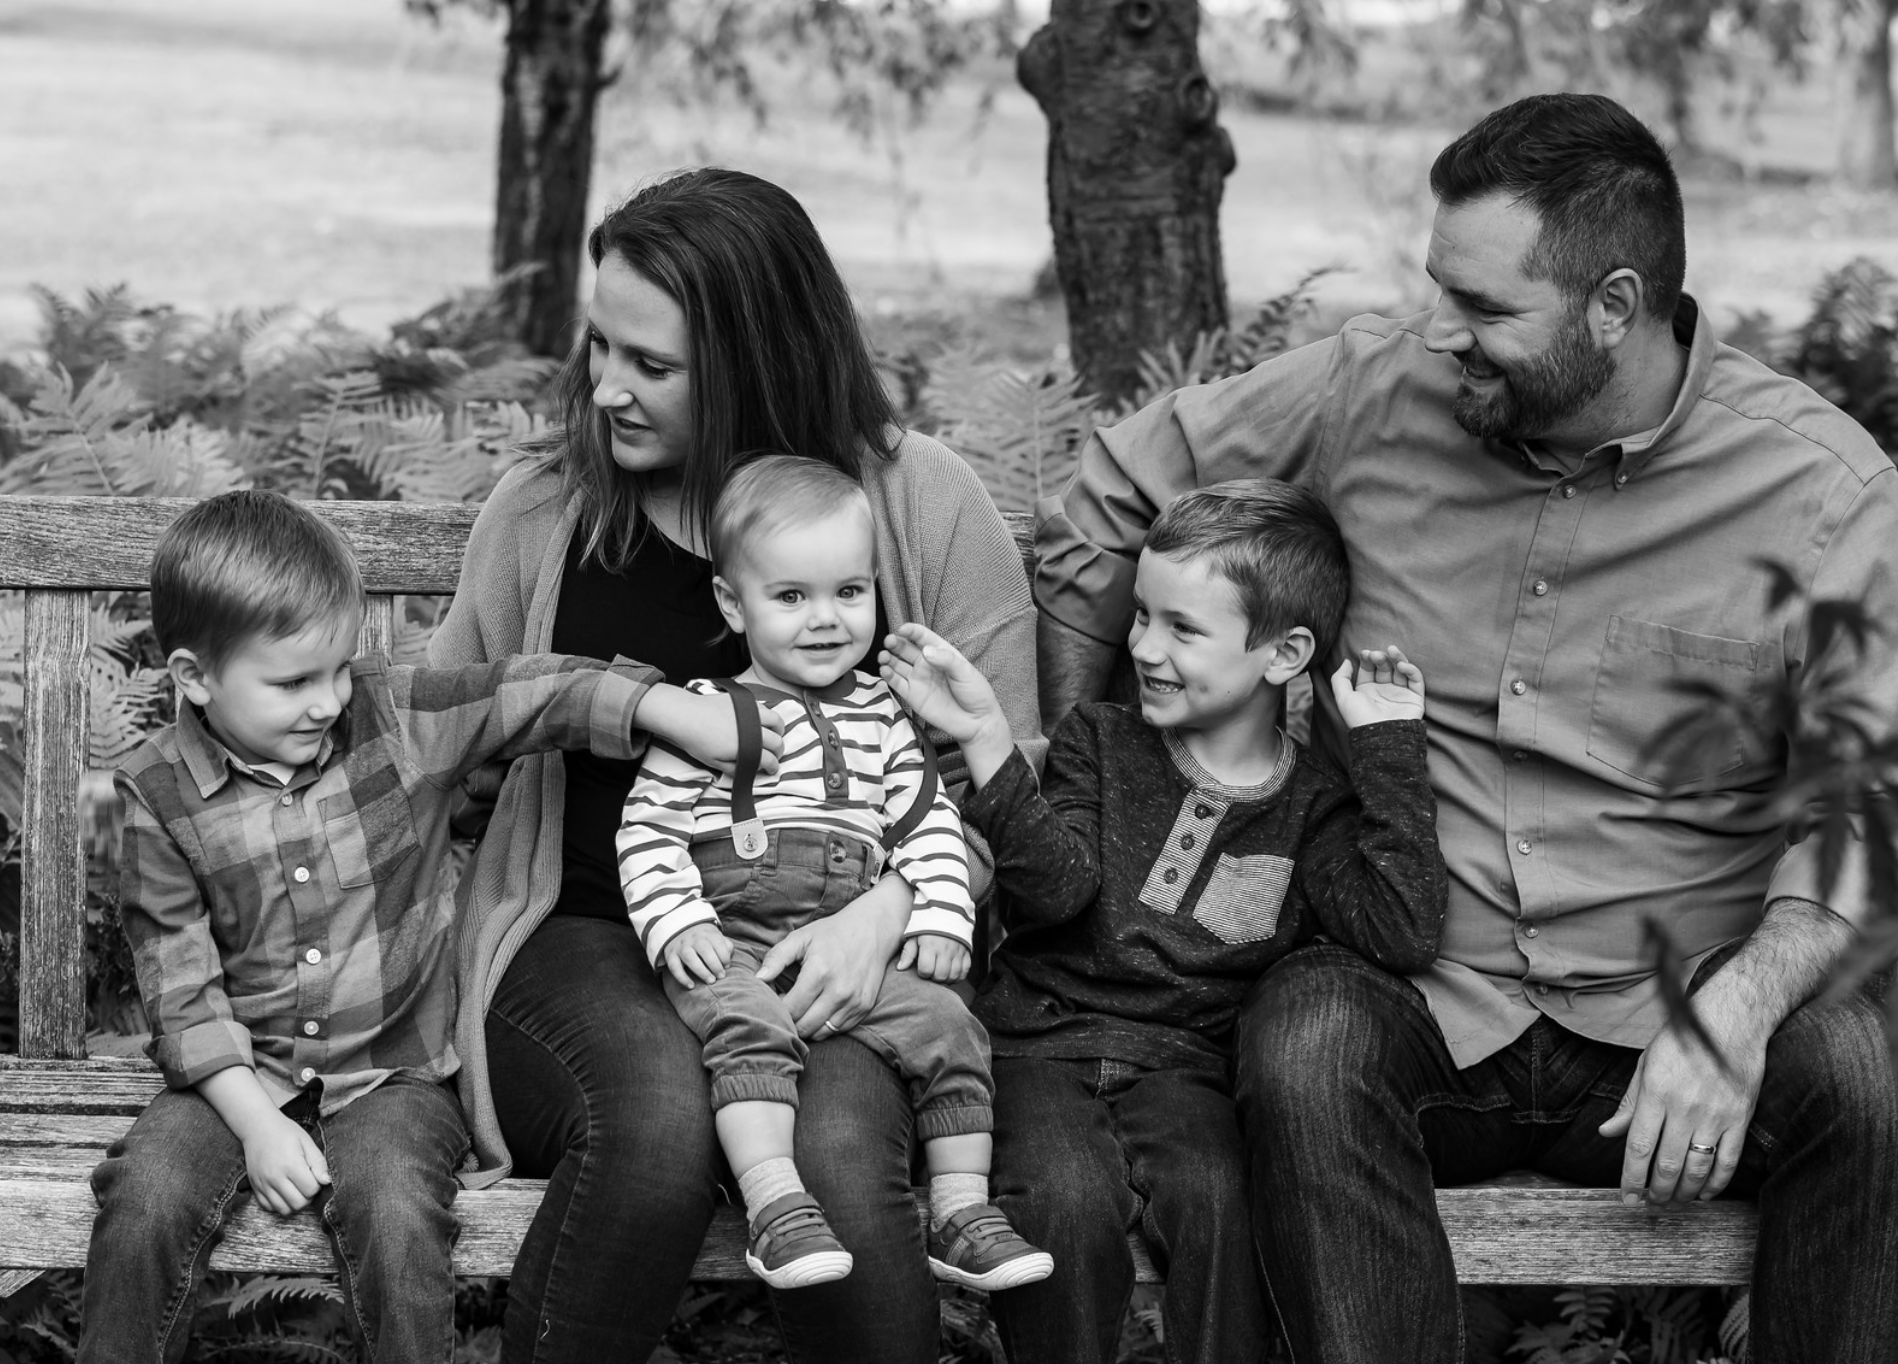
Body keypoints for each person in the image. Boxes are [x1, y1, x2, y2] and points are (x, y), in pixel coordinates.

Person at [1034, 92, 1898, 1362]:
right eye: (1438, 287)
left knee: (1860, 1073)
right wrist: (1092, 770)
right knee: (1304, 1039)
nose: (1441, 331)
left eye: (1485, 307)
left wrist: (1739, 1008)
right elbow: (1108, 497)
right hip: (1417, 980)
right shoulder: (1369, 388)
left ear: (1613, 306)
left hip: (1676, 1011)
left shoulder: (1821, 493)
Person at [428, 167, 1044, 1364]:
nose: (605, 387)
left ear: (756, 356)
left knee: (841, 1153)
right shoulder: (550, 506)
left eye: (650, 364)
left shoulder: (919, 504)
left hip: (834, 940)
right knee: (657, 1124)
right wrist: (629, 701)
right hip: (588, 932)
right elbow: (433, 717)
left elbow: (1002, 774)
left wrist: (893, 906)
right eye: (599, 345)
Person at [81, 490, 677, 1364]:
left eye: (338, 668)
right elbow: (182, 992)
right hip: (235, 1078)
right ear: (194, 677)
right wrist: (256, 1124)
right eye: (292, 682)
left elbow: (525, 693)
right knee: (145, 1196)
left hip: (396, 1073)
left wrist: (659, 708)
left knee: (395, 1211)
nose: (328, 701)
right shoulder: (153, 796)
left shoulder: (394, 719)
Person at [881, 478, 1448, 1364]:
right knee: (1063, 1203)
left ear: (1285, 653)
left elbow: (1401, 928)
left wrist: (1387, 748)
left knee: (1222, 1208)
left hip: (1188, 1072)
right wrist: (988, 740)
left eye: (1183, 628)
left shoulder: (1314, 808)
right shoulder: (1099, 742)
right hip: (1040, 1049)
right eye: (1142, 616)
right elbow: (1056, 894)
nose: (1144, 646)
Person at [617, 453, 1053, 1293]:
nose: (825, 620)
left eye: (850, 592)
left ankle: (962, 1215)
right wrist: (679, 923)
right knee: (748, 1027)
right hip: (733, 941)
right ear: (732, 604)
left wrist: (939, 915)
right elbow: (649, 831)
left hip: (857, 944)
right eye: (791, 597)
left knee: (951, 1026)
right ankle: (776, 1207)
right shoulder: (708, 712)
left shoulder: (886, 716)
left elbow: (926, 821)